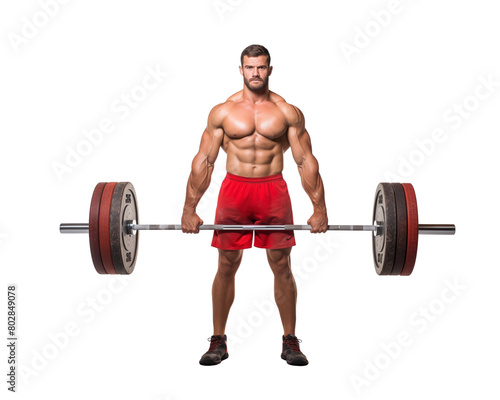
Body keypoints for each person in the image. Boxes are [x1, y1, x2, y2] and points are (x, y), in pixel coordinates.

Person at [181, 44, 328, 366]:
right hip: (234, 189)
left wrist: (320, 208)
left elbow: (305, 161)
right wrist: (189, 208)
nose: (256, 73)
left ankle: (290, 340)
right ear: (241, 70)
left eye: (261, 67)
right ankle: (218, 340)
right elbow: (204, 161)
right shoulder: (223, 111)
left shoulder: (288, 112)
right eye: (250, 67)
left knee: (281, 264)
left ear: (270, 70)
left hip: (272, 189)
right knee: (226, 264)